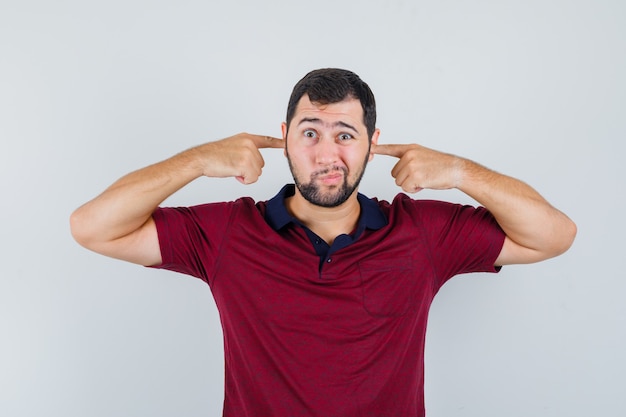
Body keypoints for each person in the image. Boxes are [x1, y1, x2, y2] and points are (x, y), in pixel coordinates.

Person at [70, 68, 576, 417]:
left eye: (346, 134)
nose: (327, 153)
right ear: (284, 137)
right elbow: (93, 226)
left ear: (373, 144)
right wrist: (199, 160)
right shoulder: (229, 233)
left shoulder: (420, 233)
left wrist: (461, 171)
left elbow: (555, 235)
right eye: (310, 133)